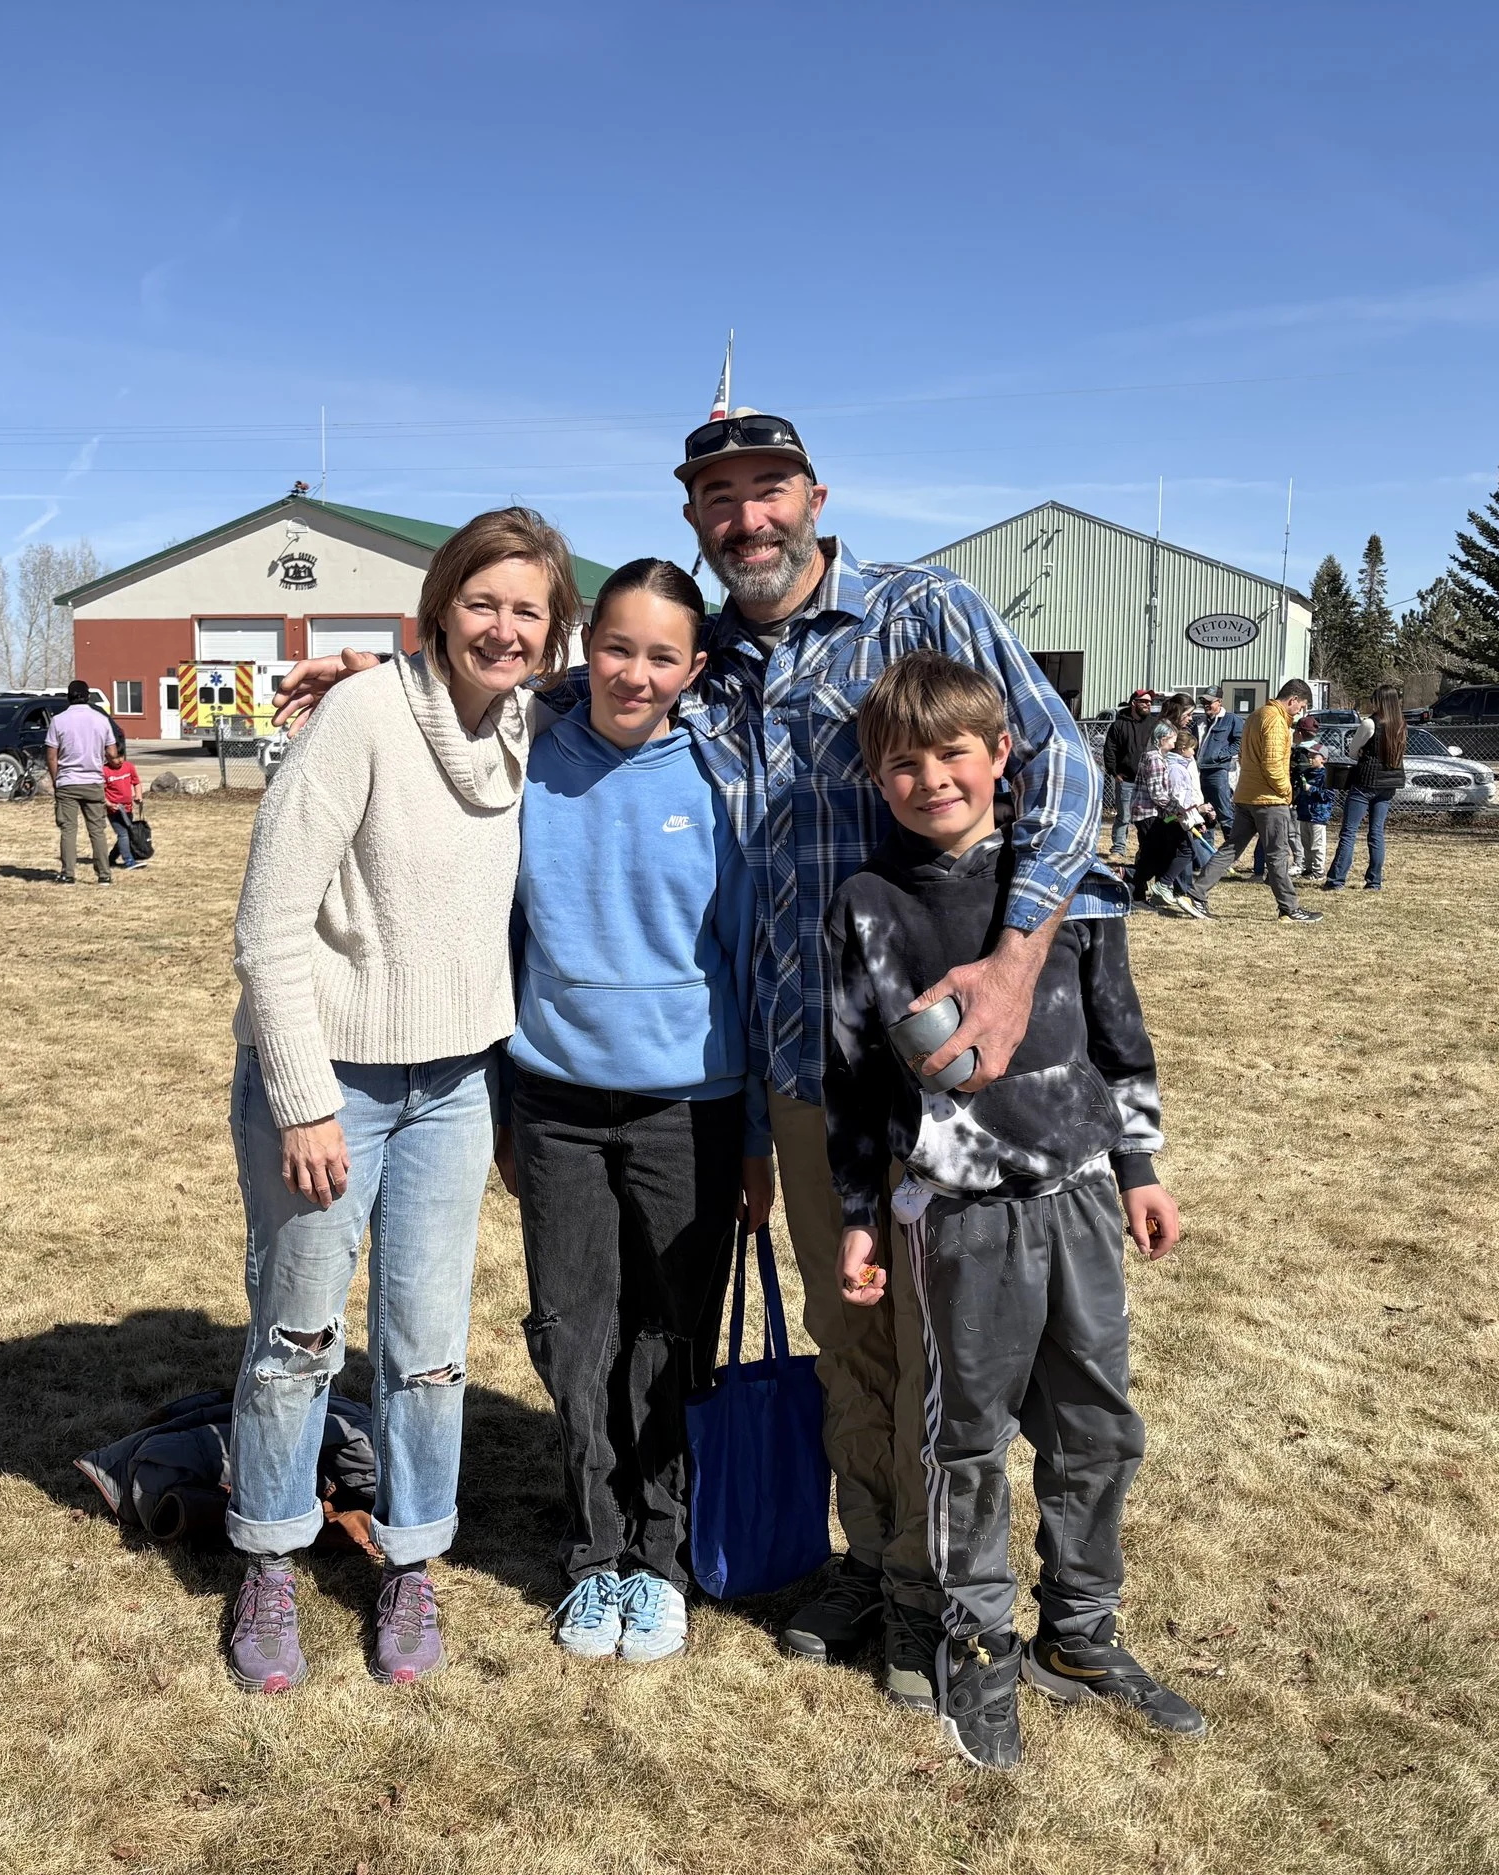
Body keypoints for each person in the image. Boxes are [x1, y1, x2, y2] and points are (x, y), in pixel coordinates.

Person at [277, 411, 1103, 1710]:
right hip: (791, 1065)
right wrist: (396, 684)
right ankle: (873, 1561)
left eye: (768, 492)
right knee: (850, 1337)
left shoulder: (917, 609)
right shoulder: (702, 656)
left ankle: (944, 1592)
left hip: (931, 1060)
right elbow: (564, 687)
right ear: (692, 521)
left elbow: (1065, 768)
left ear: (817, 495)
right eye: (719, 499)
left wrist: (1010, 968)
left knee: (941, 1341)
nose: (748, 519)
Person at [825, 651, 1202, 1770]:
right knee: (966, 1442)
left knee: (1095, 1428)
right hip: (958, 1220)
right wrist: (858, 1209)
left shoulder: (1066, 886)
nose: (930, 778)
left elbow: (1117, 1026)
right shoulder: (867, 906)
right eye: (902, 762)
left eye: (953, 753)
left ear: (1000, 757)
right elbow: (851, 1073)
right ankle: (975, 1645)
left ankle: (1080, 1635)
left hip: (1079, 1197)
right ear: (873, 777)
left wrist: (1138, 1164)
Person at [226, 507, 577, 1695]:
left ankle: (411, 1559)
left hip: (458, 1085)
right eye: (482, 602)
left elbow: (623, 672)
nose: (505, 627)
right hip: (331, 1086)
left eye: (528, 609)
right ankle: (270, 1555)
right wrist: (302, 1100)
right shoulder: (364, 719)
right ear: (438, 607)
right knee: (298, 1337)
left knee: (426, 1352)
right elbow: (268, 930)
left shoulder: (532, 723)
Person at [497, 558, 774, 1666]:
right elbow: (503, 939)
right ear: (584, 650)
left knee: (670, 1341)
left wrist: (753, 1135)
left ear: (692, 669)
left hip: (691, 1108)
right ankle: (594, 1555)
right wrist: (508, 1110)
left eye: (662, 655)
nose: (635, 672)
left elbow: (747, 963)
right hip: (556, 1102)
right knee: (573, 1340)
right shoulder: (526, 763)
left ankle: (659, 1560)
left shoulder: (721, 782)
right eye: (617, 647)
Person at [1190, 680, 1321, 924]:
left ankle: (1196, 893)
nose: (1299, 712)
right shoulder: (1275, 720)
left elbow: (1244, 754)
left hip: (1247, 795)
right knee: (1278, 855)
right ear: (1292, 699)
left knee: (1231, 848)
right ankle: (1289, 908)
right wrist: (1286, 791)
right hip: (1269, 800)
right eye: (1300, 706)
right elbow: (1272, 764)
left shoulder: (1256, 715)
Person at [1326, 686, 1406, 892]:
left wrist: (1362, 752)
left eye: (1374, 700)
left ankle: (1336, 880)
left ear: (1379, 701)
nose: (1372, 704)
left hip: (1366, 782)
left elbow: (1352, 751)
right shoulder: (1400, 724)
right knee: (1376, 832)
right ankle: (1374, 881)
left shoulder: (1370, 723)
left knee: (1349, 831)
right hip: (1389, 784)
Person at [1130, 721, 1211, 918]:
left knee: (1155, 855)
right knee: (1152, 857)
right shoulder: (1156, 759)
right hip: (1149, 813)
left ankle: (1140, 892)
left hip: (1152, 813)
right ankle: (1132, 887)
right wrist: (1180, 810)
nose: (1175, 743)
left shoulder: (1154, 757)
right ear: (1163, 739)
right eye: (1173, 739)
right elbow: (1158, 794)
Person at [42, 679, 118, 885]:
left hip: (67, 781)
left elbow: (51, 756)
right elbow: (112, 753)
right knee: (97, 830)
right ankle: (104, 874)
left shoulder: (58, 720)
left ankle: (68, 873)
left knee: (68, 829)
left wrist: (56, 780)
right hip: (93, 781)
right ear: (87, 697)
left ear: (68, 696)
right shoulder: (101, 720)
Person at [1099, 691, 1161, 859]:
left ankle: (1145, 849)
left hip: (1148, 781)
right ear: (1134, 703)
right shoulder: (1119, 725)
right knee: (1124, 816)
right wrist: (1114, 772)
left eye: (1150, 702)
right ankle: (1119, 849)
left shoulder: (1154, 724)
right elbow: (1109, 750)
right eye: (1144, 701)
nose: (1148, 704)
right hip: (1126, 779)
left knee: (1148, 817)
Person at [1289, 726, 1334, 879]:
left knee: (1317, 844)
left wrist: (1311, 789)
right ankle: (1308, 868)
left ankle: (1318, 870)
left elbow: (1327, 795)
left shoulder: (1326, 775)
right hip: (1304, 813)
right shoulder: (1306, 773)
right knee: (1305, 843)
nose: (1310, 759)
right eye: (1309, 755)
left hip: (1318, 815)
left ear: (1323, 759)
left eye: (1314, 756)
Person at [1193, 689, 1242, 826]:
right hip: (1199, 771)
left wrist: (1220, 755)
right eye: (1204, 702)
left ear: (1219, 702)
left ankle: (1232, 846)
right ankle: (1206, 847)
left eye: (1210, 702)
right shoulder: (1199, 721)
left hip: (1218, 771)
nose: (1206, 705)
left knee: (1225, 813)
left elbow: (1240, 742)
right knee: (1205, 814)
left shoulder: (1231, 719)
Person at [103, 740, 147, 868]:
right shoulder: (104, 771)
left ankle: (110, 859)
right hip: (114, 810)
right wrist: (108, 803)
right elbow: (100, 791)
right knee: (123, 833)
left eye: (121, 756)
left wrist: (138, 795)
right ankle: (129, 861)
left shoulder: (129, 767)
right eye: (116, 758)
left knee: (127, 833)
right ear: (107, 757)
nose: (120, 760)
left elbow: (136, 782)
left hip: (128, 809)